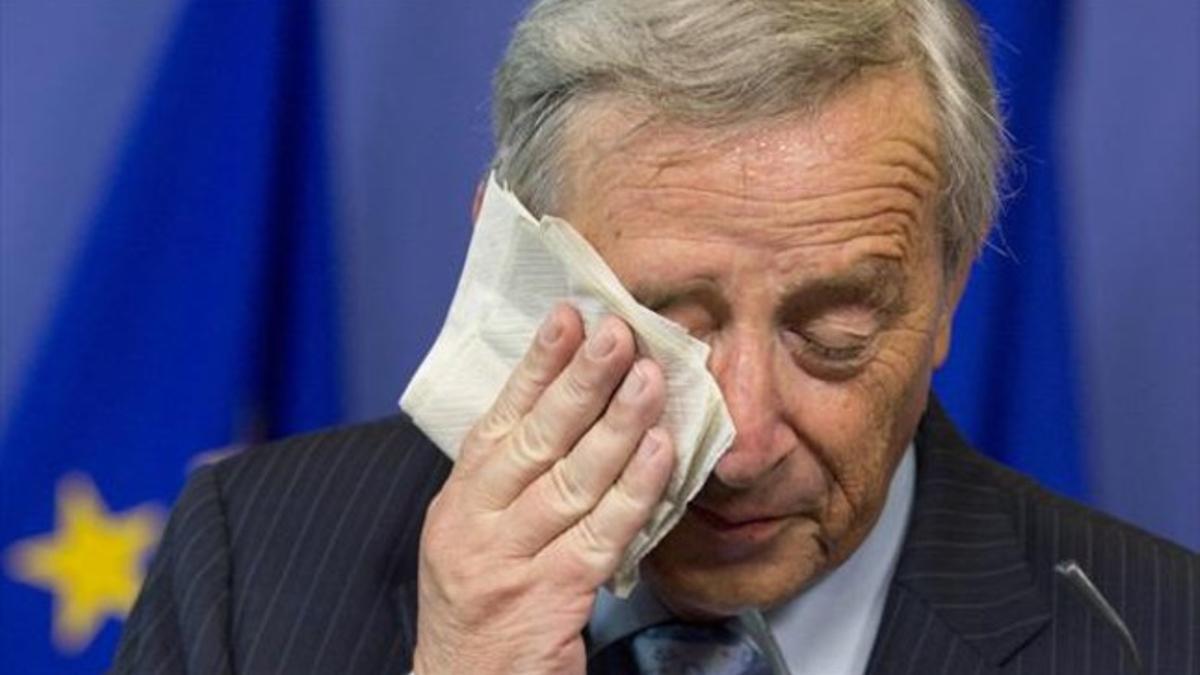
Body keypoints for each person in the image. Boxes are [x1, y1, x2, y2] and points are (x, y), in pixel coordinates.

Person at [111, 1, 1197, 673]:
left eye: (833, 335)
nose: (741, 439)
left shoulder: (1157, 637)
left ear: (951, 287)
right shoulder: (248, 569)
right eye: (662, 330)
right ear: (508, 259)